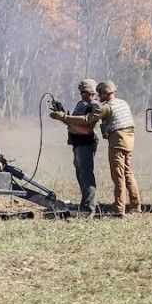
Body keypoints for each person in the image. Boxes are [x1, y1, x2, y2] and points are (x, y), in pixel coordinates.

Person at [50, 80, 141, 215]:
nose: (98, 96)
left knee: (118, 175)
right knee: (127, 173)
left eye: (99, 93)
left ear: (105, 93)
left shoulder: (103, 107)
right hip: (129, 140)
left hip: (117, 141)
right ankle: (135, 206)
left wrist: (64, 117)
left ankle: (119, 209)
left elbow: (87, 122)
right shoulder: (123, 103)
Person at [52, 79, 100, 213]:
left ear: (92, 92)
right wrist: (63, 116)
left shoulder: (94, 107)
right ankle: (84, 204)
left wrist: (64, 118)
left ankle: (89, 207)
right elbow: (72, 123)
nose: (81, 94)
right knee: (80, 174)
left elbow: (86, 129)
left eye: (84, 92)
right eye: (81, 92)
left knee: (86, 175)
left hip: (86, 141)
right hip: (77, 142)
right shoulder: (81, 104)